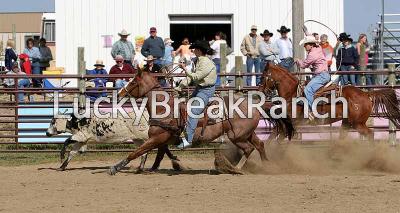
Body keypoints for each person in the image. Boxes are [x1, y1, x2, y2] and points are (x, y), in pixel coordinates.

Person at [175, 40, 217, 148]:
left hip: (207, 91)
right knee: (184, 106)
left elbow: (196, 77)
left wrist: (184, 69)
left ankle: (188, 140)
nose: (193, 50)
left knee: (193, 111)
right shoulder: (197, 61)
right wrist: (180, 86)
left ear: (199, 50)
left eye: (195, 49)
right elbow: (191, 78)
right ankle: (182, 133)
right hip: (199, 88)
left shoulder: (206, 62)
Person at [294, 36, 330, 120]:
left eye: (305, 44)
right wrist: (307, 33)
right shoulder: (318, 47)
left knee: (307, 90)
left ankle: (312, 111)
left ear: (310, 45)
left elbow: (303, 65)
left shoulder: (312, 55)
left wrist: (297, 60)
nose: (304, 46)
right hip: (323, 74)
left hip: (321, 76)